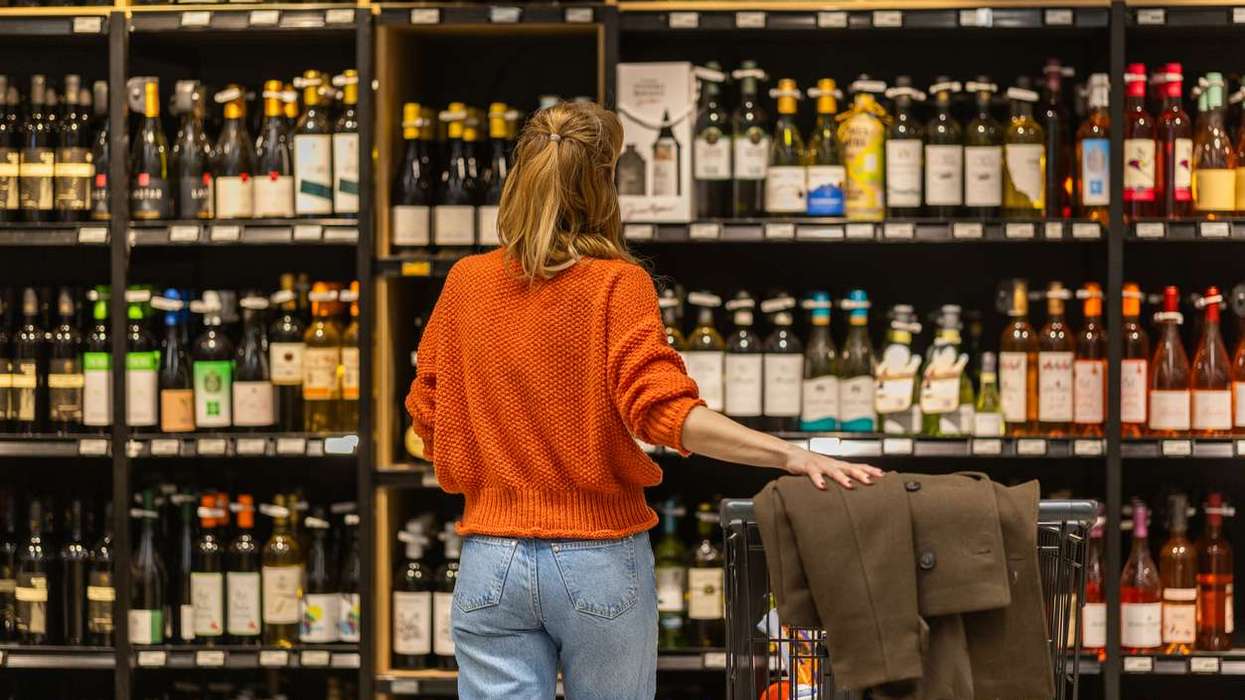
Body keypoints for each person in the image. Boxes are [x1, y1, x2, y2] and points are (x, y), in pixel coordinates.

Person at [405, 101, 882, 700]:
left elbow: (428, 413)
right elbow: (666, 412)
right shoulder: (616, 284)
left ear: (519, 172)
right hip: (598, 560)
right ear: (605, 185)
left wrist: (496, 456)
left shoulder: (466, 282)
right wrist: (789, 455)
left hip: (487, 560)